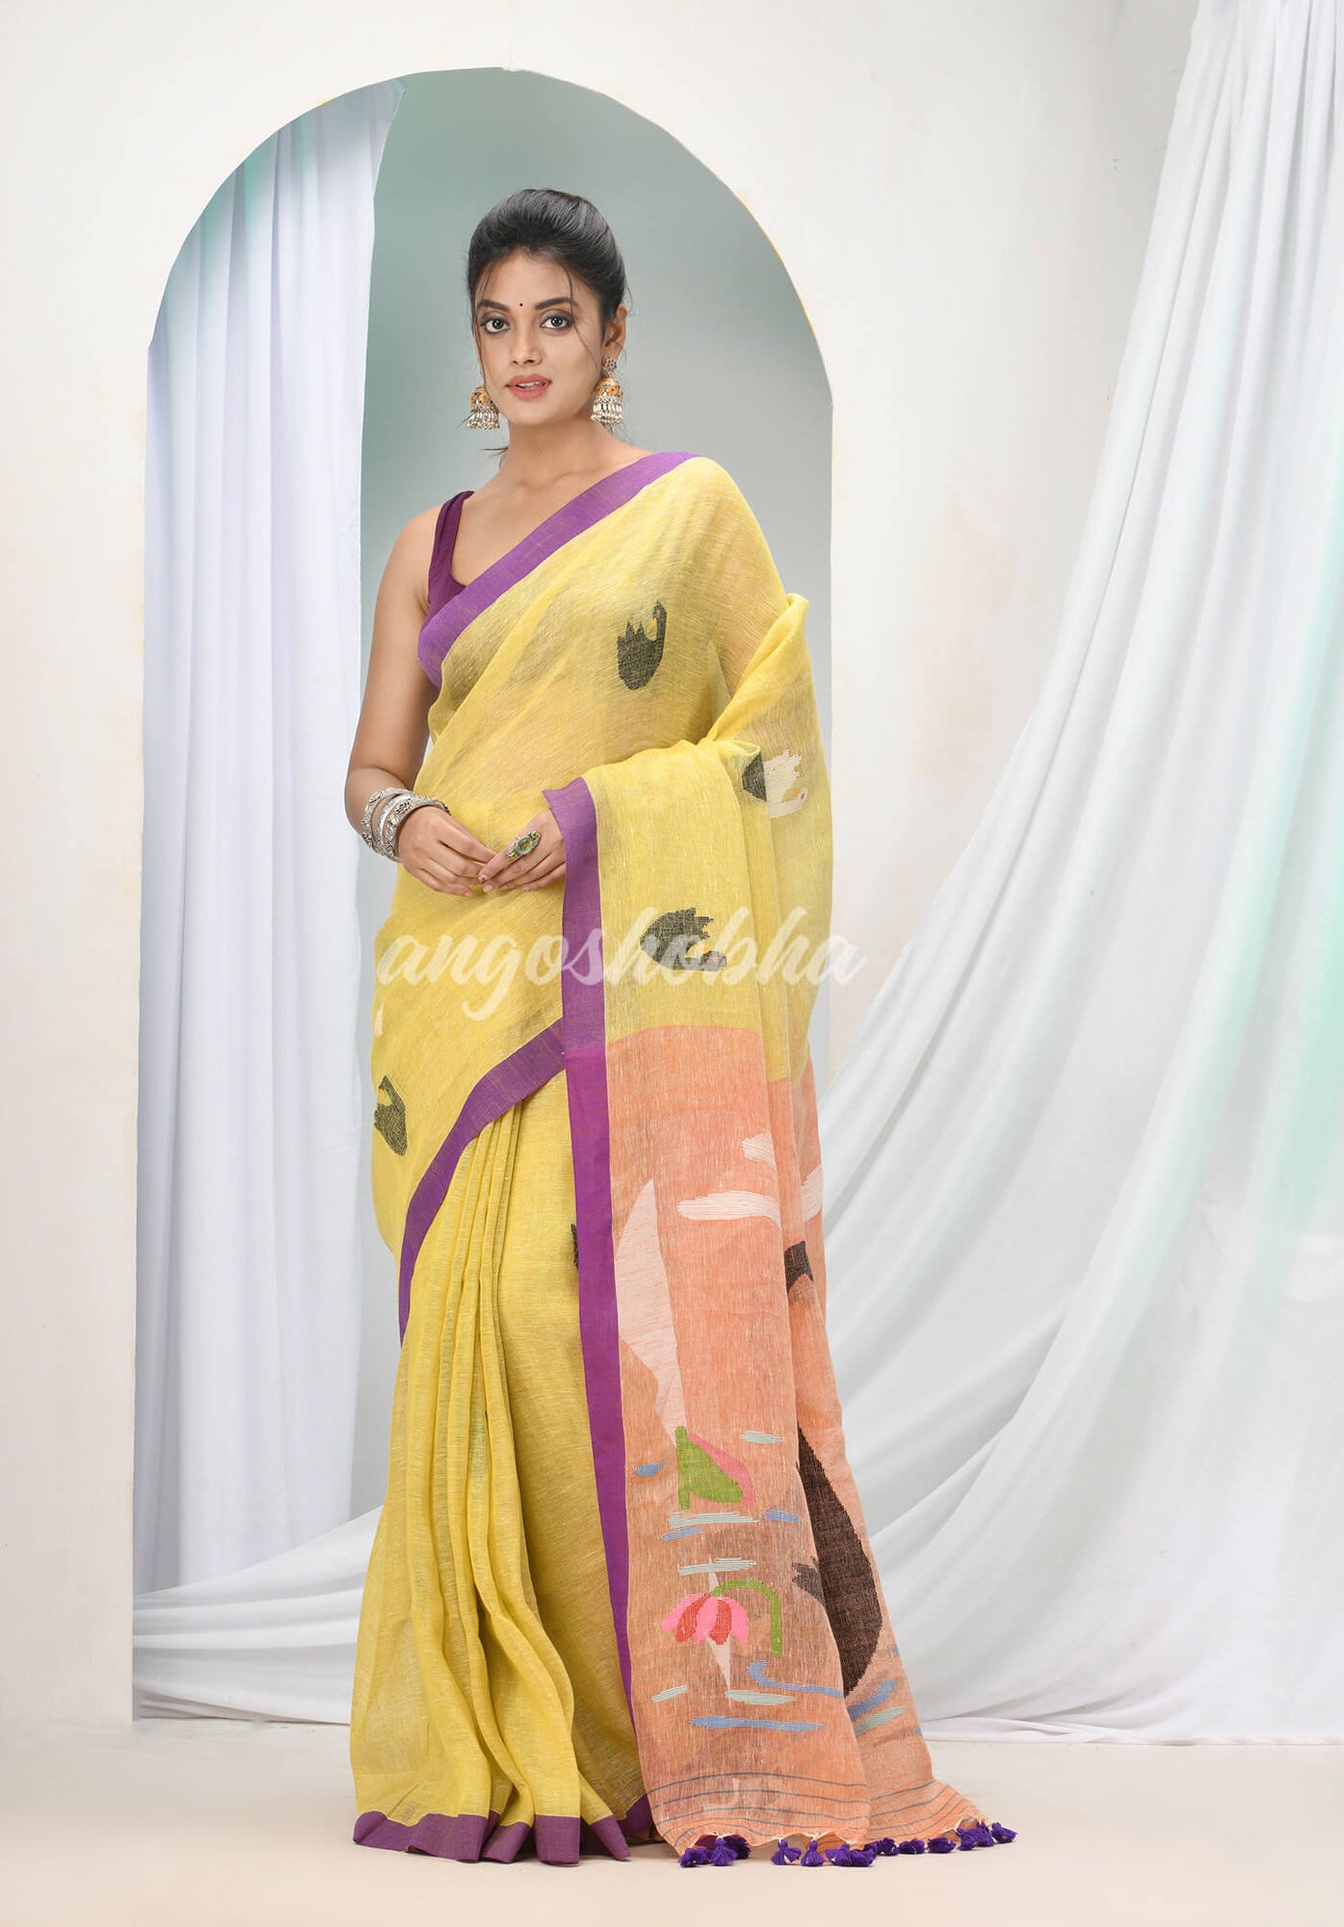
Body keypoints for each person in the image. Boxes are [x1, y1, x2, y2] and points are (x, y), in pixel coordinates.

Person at [343, 186, 1017, 1872]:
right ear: (473, 345)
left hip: (627, 984)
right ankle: (522, 1737)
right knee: (482, 1339)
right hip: (462, 986)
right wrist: (404, 824)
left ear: (613, 336)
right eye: (496, 322)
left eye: (555, 321)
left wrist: (592, 815)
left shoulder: (686, 511)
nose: (524, 352)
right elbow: (370, 765)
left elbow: (768, 746)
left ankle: (667, 1735)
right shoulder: (428, 543)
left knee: (611, 1335)